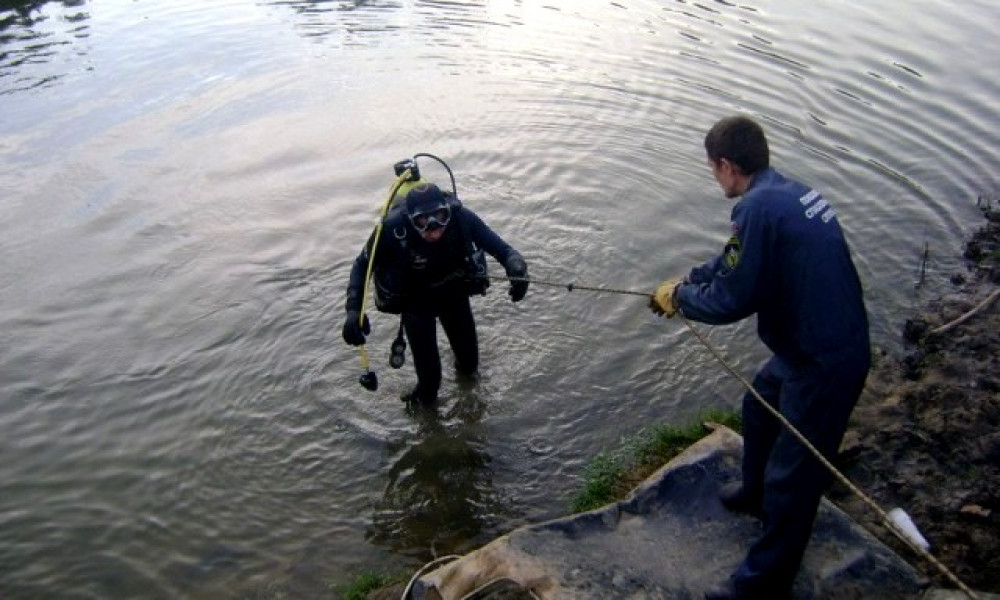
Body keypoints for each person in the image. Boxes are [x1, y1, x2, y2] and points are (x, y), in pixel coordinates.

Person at [649, 116, 871, 600]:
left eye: (713, 169)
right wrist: (686, 281)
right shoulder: (783, 194)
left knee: (795, 477)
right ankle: (755, 494)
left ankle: (762, 583)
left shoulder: (756, 208)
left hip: (825, 363)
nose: (714, 178)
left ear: (727, 166)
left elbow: (732, 299)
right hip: (811, 347)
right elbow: (735, 262)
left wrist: (683, 301)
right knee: (759, 403)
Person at [343, 180, 529, 404]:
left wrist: (517, 268)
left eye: (440, 217)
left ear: (446, 211)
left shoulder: (460, 217)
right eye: (422, 221)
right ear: (411, 219)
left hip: (454, 296)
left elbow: (503, 249)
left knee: (470, 369)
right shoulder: (392, 230)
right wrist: (353, 310)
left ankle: (465, 417)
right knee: (430, 385)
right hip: (415, 303)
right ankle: (421, 407)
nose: (433, 228)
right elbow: (361, 266)